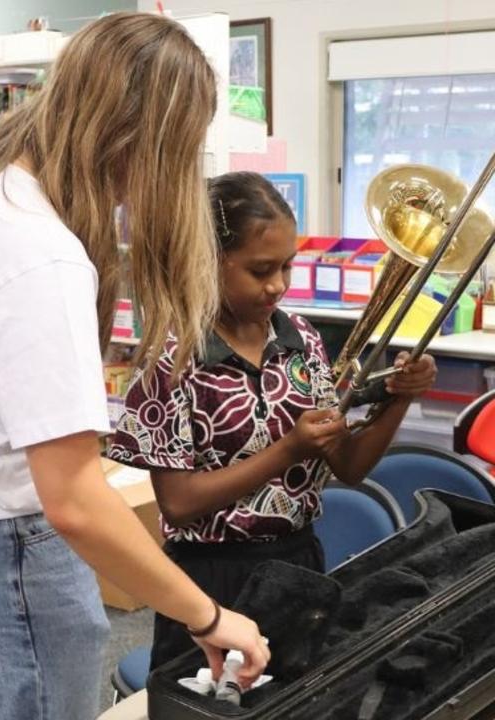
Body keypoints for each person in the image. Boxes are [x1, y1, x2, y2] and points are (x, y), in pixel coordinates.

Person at [0, 13, 270, 720]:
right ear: (142, 140)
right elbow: (76, 501)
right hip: (0, 567)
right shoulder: (35, 251)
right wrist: (208, 617)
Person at [108, 171, 437, 669]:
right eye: (260, 270)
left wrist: (398, 401)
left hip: (299, 562)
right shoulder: (171, 356)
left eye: (287, 266)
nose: (278, 285)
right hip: (211, 579)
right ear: (210, 261)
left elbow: (348, 467)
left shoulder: (300, 338)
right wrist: (286, 451)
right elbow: (177, 504)